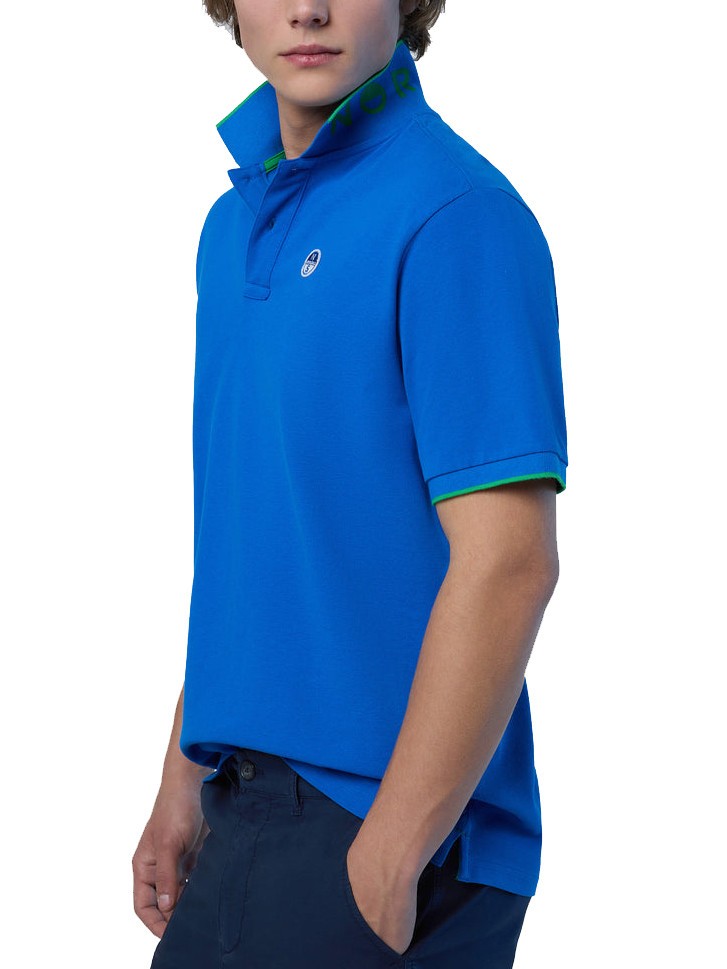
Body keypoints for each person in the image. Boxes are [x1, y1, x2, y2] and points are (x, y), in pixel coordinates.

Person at [132, 1, 568, 966]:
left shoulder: (455, 215)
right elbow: (261, 538)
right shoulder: (232, 224)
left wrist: (393, 845)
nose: (307, 8)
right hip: (246, 801)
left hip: (385, 818)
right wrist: (183, 774)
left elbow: (509, 563)